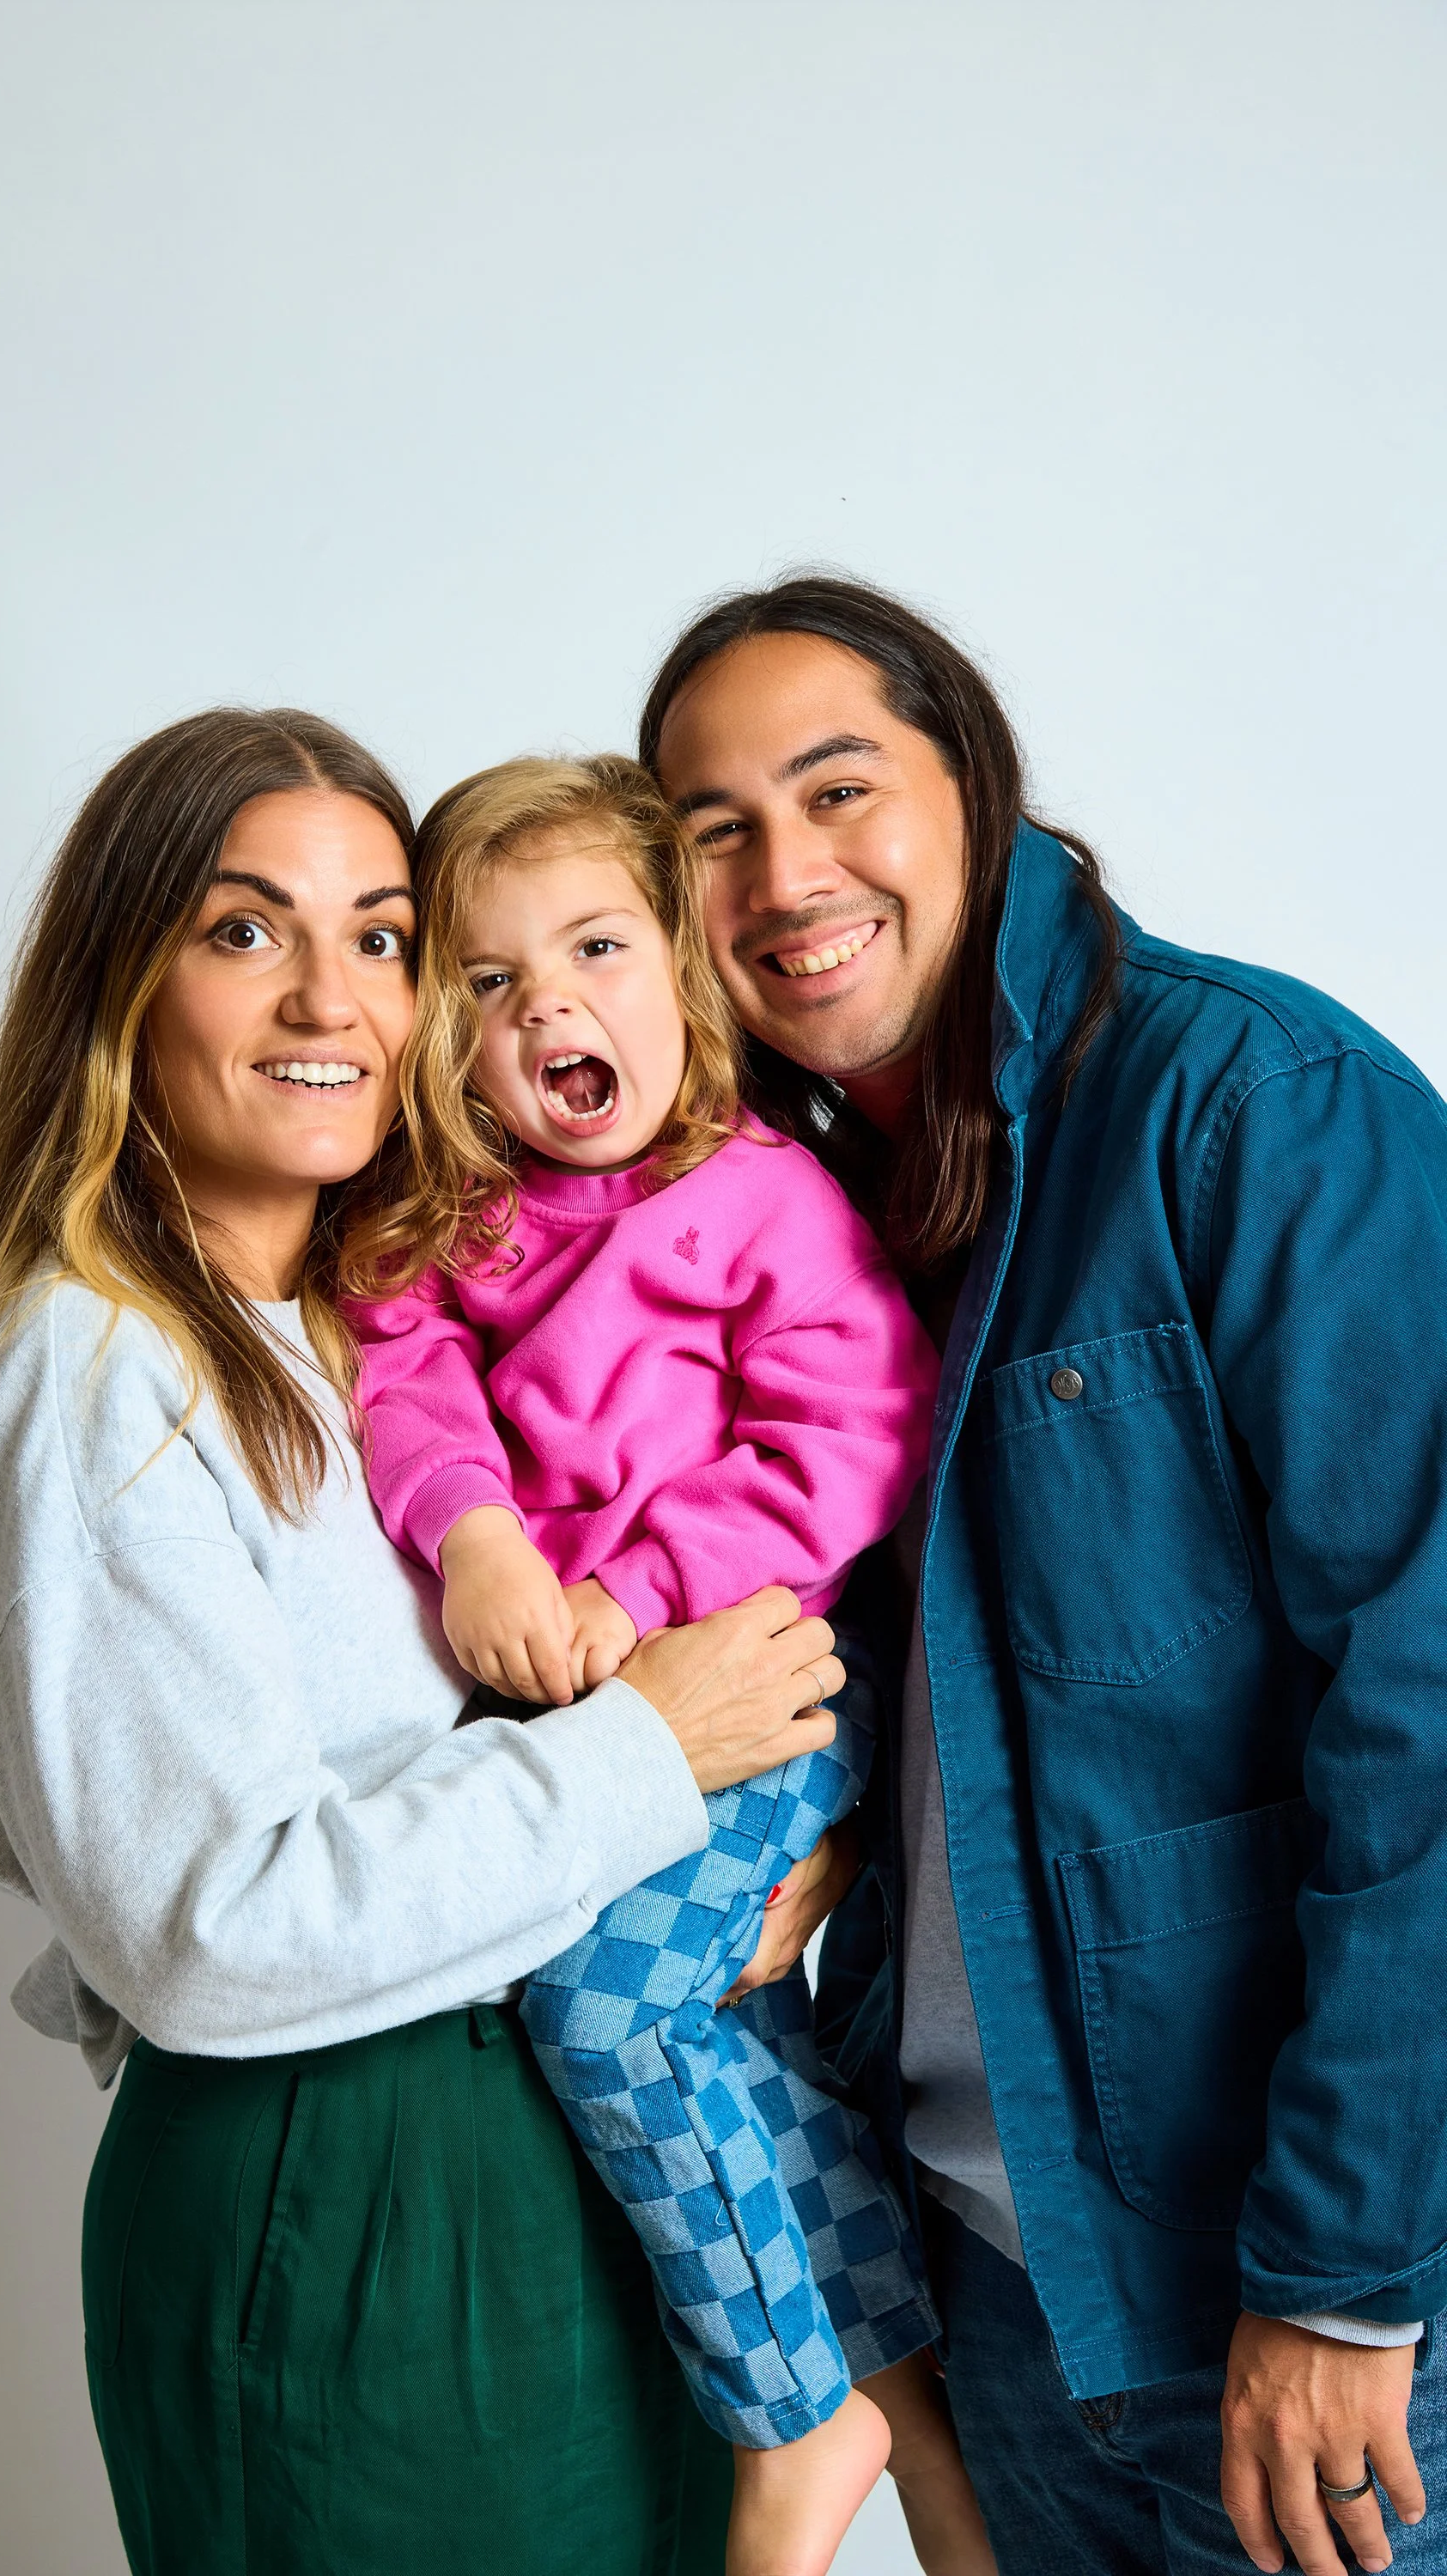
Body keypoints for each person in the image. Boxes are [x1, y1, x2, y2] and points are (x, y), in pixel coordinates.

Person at [0, 706, 851, 2576]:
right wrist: (642, 1755)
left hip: (547, 2155)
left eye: (384, 933)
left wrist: (731, 1836)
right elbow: (203, 1918)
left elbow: (22, 1783)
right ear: (122, 983)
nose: (329, 993)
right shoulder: (98, 1366)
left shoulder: (350, 1337)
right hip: (351, 2200)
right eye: (245, 928)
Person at [636, 574, 1447, 2576]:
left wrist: (1345, 2279)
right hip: (991, 2278)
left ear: (970, 789)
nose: (783, 873)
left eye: (837, 789)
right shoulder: (808, 1216)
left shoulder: (1251, 1100)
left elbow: (1430, 1701)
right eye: (711, 830)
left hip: (1284, 2292)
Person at [342, 752, 996, 2575]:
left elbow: (855, 1433)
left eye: (597, 945)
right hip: (602, 1716)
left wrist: (630, 1588)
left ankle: (791, 2417)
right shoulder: (451, 1214)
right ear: (446, 1039)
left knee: (605, 2013)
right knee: (736, 2037)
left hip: (760, 1682)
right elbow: (400, 1378)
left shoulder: (757, 1193)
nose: (548, 997)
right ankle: (911, 2416)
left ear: (689, 977)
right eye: (487, 979)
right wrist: (474, 1534)